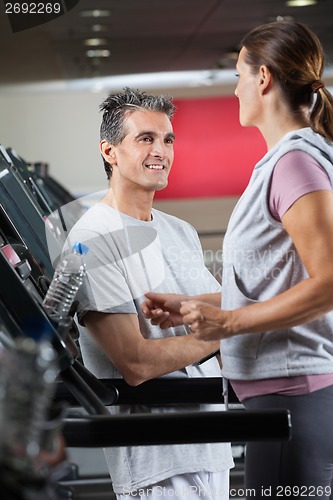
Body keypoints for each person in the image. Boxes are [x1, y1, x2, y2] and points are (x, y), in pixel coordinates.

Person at [142, 21, 333, 499]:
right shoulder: (284, 162)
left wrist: (228, 322)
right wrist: (195, 306)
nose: (235, 89)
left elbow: (329, 282)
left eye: (238, 76)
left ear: (263, 78)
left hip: (296, 395)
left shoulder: (295, 162)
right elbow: (275, 280)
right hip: (283, 395)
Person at [65, 88, 234, 499]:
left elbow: (222, 313)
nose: (161, 150)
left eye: (168, 139)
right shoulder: (92, 239)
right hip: (157, 461)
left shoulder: (181, 231)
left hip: (213, 444)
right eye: (145, 138)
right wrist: (228, 329)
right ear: (110, 151)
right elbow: (135, 363)